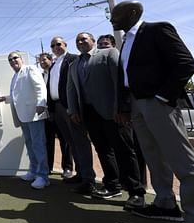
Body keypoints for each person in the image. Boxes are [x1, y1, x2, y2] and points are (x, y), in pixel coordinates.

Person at [111, 0, 194, 223]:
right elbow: (126, 78)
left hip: (158, 104)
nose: (111, 18)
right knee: (154, 157)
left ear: (132, 13)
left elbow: (185, 63)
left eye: (115, 14)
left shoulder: (157, 29)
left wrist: (163, 97)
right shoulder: (126, 43)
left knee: (183, 162)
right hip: (137, 106)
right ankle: (165, 205)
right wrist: (125, 106)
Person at [67, 32, 146, 208]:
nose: (80, 42)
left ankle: (136, 192)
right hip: (88, 114)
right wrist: (73, 110)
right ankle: (112, 185)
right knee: (103, 150)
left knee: (124, 150)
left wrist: (121, 108)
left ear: (93, 41)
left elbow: (119, 82)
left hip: (112, 112)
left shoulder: (108, 53)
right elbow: (71, 89)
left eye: (84, 39)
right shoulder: (74, 65)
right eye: (78, 40)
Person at [46, 36, 95, 195]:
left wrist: (74, 107)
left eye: (58, 44)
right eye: (52, 45)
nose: (55, 47)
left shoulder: (73, 59)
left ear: (65, 44)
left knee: (80, 142)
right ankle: (80, 174)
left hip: (70, 107)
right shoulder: (54, 64)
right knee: (71, 142)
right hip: (58, 108)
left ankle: (89, 179)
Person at [1, 52, 49, 189]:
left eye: (15, 58)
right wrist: (5, 98)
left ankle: (43, 176)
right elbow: (17, 96)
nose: (13, 60)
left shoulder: (30, 69)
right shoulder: (14, 76)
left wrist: (41, 103)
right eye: (10, 59)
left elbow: (40, 87)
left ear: (21, 59)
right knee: (30, 144)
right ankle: (33, 171)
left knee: (38, 144)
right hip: (23, 115)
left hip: (34, 113)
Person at [38, 52, 73, 176]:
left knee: (65, 140)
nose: (42, 63)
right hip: (46, 113)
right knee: (48, 140)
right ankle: (48, 167)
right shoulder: (40, 76)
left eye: (44, 60)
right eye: (40, 61)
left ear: (51, 59)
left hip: (59, 110)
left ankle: (67, 168)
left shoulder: (56, 72)